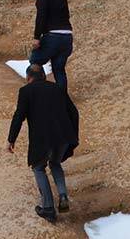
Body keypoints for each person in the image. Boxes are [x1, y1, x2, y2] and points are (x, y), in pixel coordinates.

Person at [6, 64, 80, 223]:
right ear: (44, 76)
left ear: (28, 77)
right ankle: (62, 194)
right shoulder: (57, 88)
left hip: (42, 139)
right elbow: (74, 112)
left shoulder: (26, 91)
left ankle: (48, 208)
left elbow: (19, 116)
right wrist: (73, 136)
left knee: (38, 167)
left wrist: (11, 139)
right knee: (55, 163)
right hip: (63, 137)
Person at [26, 0, 73, 91]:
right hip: (67, 37)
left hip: (53, 36)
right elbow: (66, 15)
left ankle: (39, 91)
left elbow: (41, 18)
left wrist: (37, 37)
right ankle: (62, 98)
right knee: (59, 69)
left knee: (35, 60)